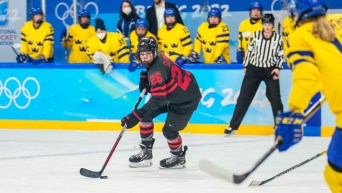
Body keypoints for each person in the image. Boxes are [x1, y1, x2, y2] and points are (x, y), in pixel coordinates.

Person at [273, 0, 342, 192]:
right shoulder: (339, 19)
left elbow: (307, 78)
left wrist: (295, 110)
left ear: (297, 14)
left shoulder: (299, 36)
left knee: (335, 176)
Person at [120, 36, 201, 169]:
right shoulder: (159, 58)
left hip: (186, 100)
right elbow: (164, 80)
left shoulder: (156, 71)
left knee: (169, 131)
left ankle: (179, 157)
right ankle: (146, 153)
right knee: (146, 116)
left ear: (154, 52)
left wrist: (136, 116)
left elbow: (159, 99)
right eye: (142, 54)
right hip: (174, 94)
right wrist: (148, 81)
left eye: (147, 54)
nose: (144, 57)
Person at [225, 13, 284, 135]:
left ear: (272, 25)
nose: (267, 26)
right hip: (254, 69)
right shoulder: (256, 35)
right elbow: (250, 51)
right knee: (243, 98)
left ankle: (279, 125)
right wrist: (246, 65)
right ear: (262, 24)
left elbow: (280, 54)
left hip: (270, 70)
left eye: (269, 24)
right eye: (265, 24)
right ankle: (233, 126)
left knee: (275, 98)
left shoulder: (278, 38)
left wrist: (278, 68)